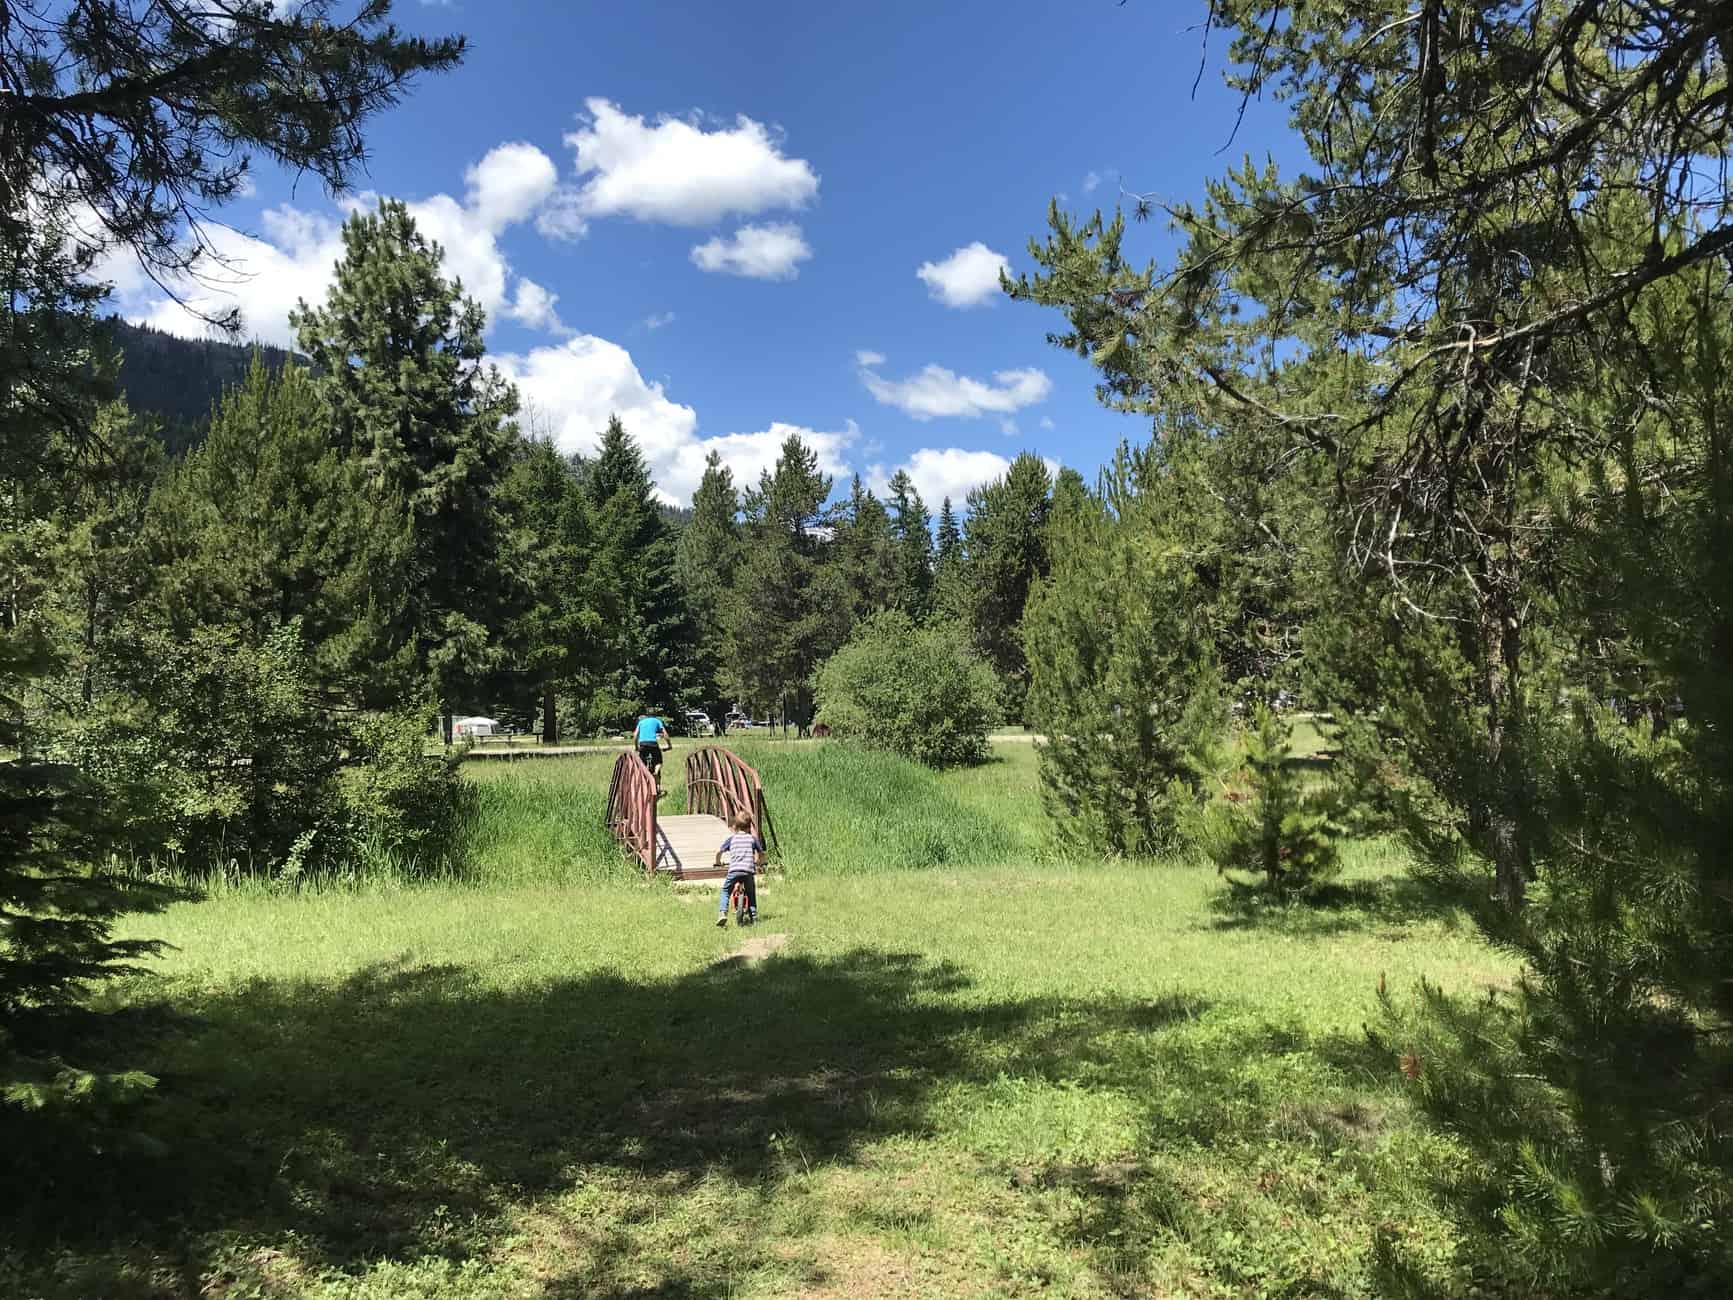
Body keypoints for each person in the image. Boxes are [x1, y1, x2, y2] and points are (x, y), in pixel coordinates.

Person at [714, 810, 765, 927]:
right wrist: (759, 862)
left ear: (735, 827)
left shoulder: (732, 839)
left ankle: (722, 913)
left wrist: (717, 862)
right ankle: (754, 917)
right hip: (748, 870)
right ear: (749, 828)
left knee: (726, 891)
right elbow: (761, 854)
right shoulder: (752, 839)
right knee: (751, 893)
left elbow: (719, 852)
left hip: (734, 870)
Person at [634, 712, 670, 780]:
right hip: (653, 743)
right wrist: (669, 745)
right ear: (655, 715)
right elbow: (665, 734)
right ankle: (656, 772)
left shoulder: (641, 722)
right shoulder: (657, 721)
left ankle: (643, 777)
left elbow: (635, 735)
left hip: (643, 744)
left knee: (642, 762)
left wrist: (636, 747)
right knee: (659, 762)